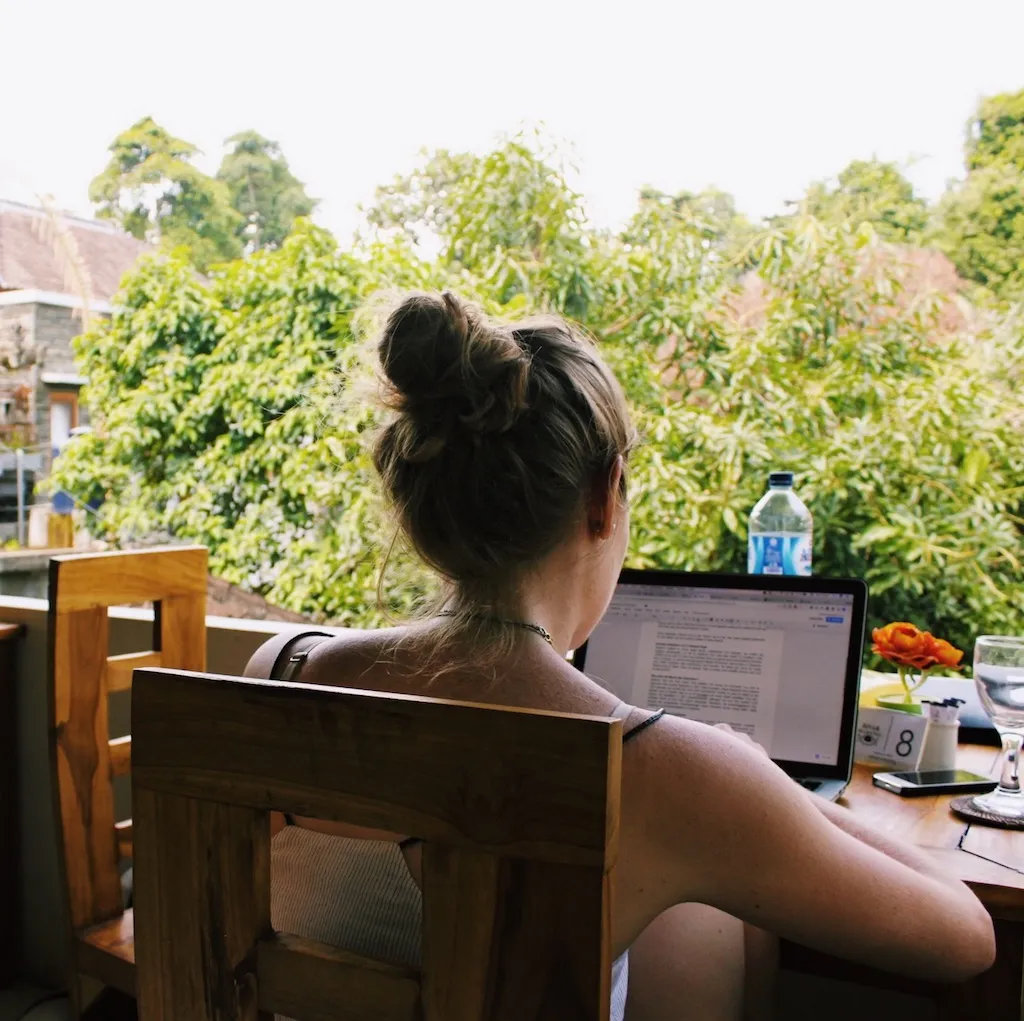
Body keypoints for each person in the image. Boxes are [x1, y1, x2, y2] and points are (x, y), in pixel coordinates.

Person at [245, 291, 995, 1021]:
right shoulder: (666, 768)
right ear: (605, 499)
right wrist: (768, 784)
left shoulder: (288, 671)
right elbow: (966, 938)